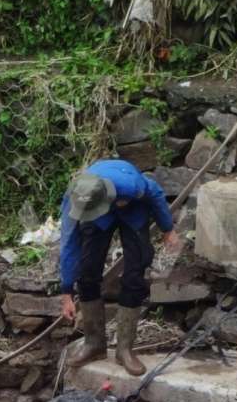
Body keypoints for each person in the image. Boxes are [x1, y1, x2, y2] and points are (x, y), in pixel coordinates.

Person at [59, 159, 179, 376]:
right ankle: (94, 344)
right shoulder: (74, 200)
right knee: (87, 272)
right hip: (98, 214)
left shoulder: (130, 185)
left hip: (132, 210)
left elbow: (156, 194)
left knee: (135, 270)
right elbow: (69, 243)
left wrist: (167, 228)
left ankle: (125, 349)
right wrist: (66, 291)